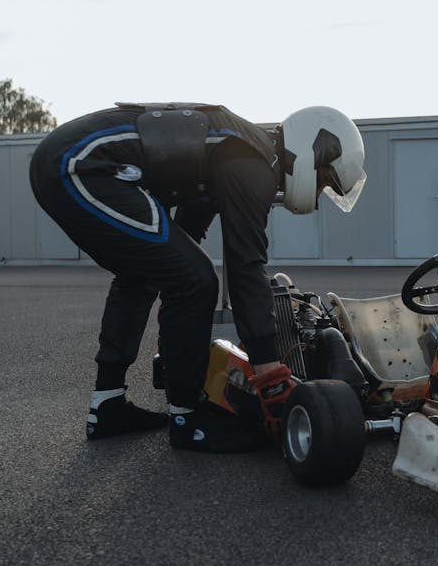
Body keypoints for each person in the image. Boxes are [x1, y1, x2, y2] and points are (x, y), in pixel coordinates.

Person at [29, 103, 365, 452]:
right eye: (325, 181)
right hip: (81, 164)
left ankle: (108, 405)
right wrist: (270, 375)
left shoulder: (234, 151)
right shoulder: (252, 163)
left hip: (69, 161)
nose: (318, 194)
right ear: (314, 151)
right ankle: (187, 420)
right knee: (196, 279)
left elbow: (183, 241)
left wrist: (178, 343)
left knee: (146, 273)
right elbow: (245, 266)